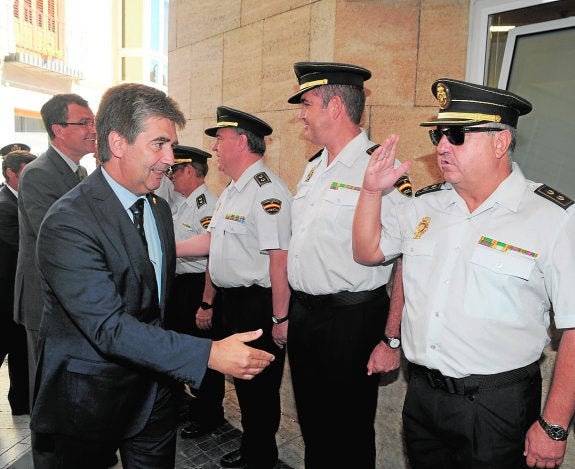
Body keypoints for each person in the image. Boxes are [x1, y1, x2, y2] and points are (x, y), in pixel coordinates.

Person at [30, 83, 275, 469]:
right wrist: (208, 353)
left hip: (154, 394)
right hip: (89, 399)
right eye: (159, 144)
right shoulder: (68, 221)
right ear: (117, 142)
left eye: (172, 146)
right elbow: (108, 327)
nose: (170, 159)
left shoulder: (158, 208)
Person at [352, 78, 575, 469]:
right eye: (439, 134)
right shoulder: (425, 206)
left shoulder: (553, 218)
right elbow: (368, 251)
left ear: (500, 143)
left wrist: (554, 424)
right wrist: (370, 192)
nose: (441, 146)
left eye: (456, 135)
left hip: (497, 405)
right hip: (422, 394)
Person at [286, 61, 410, 469]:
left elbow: (408, 259)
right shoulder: (313, 167)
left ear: (334, 105)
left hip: (351, 319)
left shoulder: (381, 168)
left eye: (306, 103)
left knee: (350, 432)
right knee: (314, 427)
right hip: (306, 316)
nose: (300, 113)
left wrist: (391, 338)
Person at [176, 106, 292, 469]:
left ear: (241, 141)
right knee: (241, 381)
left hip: (258, 304)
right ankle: (253, 446)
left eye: (220, 140)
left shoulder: (266, 191)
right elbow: (212, 241)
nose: (215, 149)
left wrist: (280, 316)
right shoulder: (230, 192)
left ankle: (260, 455)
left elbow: (279, 259)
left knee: (258, 385)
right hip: (231, 301)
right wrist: (169, 247)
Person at [14, 93, 95, 408]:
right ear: (59, 129)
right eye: (84, 123)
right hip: (45, 300)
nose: (93, 130)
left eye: (94, 122)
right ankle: (51, 456)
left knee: (72, 387)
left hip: (72, 296)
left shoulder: (80, 173)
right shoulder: (38, 173)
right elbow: (60, 238)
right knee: (49, 391)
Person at [164, 145, 226, 439]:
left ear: (190, 171)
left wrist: (206, 302)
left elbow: (212, 257)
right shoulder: (180, 203)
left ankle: (208, 414)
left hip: (198, 285)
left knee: (203, 354)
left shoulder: (208, 206)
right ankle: (181, 405)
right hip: (178, 286)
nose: (171, 176)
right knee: (177, 347)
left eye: (175, 170)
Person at [0, 147, 36, 415]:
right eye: (26, 173)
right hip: (5, 293)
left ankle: (21, 402)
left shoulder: (22, 200)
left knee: (20, 349)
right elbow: (20, 243)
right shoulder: (4, 207)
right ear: (10, 173)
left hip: (18, 291)